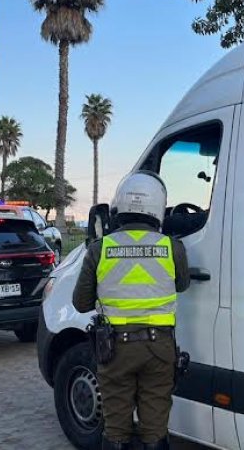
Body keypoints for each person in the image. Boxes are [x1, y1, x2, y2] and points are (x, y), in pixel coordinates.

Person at [73, 171, 190, 450]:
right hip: (159, 348)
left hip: (114, 350)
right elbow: (182, 285)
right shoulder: (172, 247)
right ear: (158, 208)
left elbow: (81, 303)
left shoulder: (100, 249)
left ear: (120, 207)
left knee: (115, 429)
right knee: (155, 428)